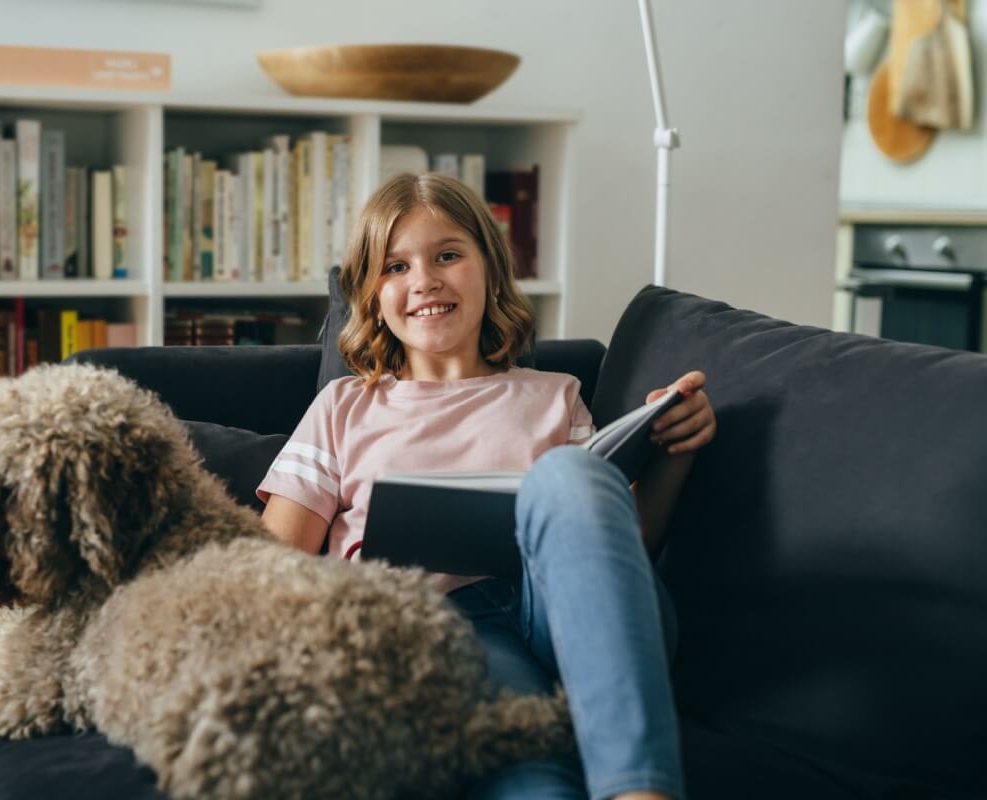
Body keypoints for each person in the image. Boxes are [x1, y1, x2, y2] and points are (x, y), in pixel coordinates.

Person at [257, 172, 715, 800]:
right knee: (535, 776)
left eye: (448, 255)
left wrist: (674, 452)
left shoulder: (558, 396)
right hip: (432, 628)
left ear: (490, 270)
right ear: (372, 293)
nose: (425, 280)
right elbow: (270, 564)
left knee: (570, 474)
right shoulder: (344, 407)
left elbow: (620, 550)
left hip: (564, 612)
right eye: (396, 266)